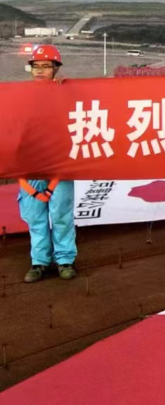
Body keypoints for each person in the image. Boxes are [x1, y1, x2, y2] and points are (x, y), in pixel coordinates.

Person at [18, 45, 77, 283]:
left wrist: (68, 91)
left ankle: (65, 260)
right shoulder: (20, 97)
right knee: (34, 217)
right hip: (30, 166)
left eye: (46, 66)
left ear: (55, 69)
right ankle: (39, 262)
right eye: (36, 67)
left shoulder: (65, 94)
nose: (40, 71)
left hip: (58, 165)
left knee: (61, 214)